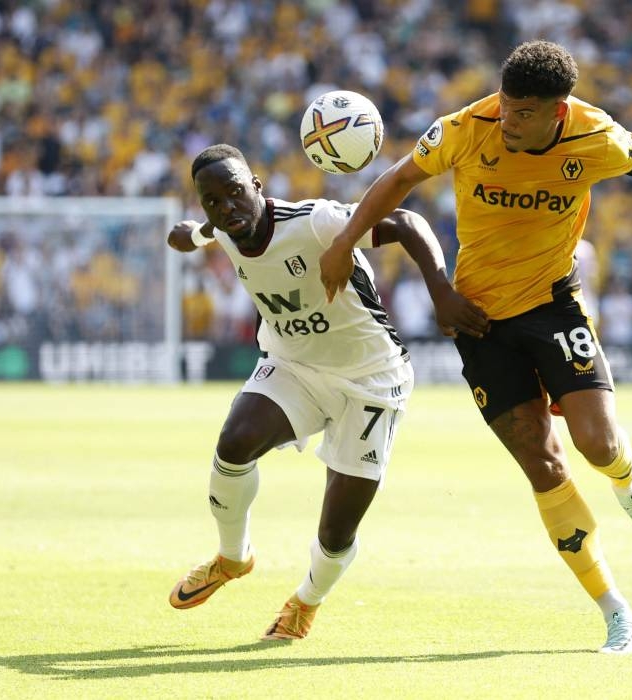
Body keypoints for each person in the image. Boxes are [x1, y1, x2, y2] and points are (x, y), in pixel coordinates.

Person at [319, 40, 632, 655]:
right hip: (479, 318)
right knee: (542, 464)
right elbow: (400, 177)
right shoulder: (467, 127)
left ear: (558, 110)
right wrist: (346, 241)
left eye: (522, 113)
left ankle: (628, 484)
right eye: (506, 106)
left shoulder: (596, 138)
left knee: (597, 444)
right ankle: (615, 610)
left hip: (552, 303)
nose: (507, 120)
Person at [166, 143, 487, 641]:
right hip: (295, 366)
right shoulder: (225, 229)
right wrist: (188, 236)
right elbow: (197, 233)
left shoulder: (314, 222)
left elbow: (404, 222)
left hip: (372, 380)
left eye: (234, 193)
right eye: (213, 201)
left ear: (257, 186)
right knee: (234, 442)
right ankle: (233, 557)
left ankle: (305, 603)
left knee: (336, 531)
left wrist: (441, 292)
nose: (227, 207)